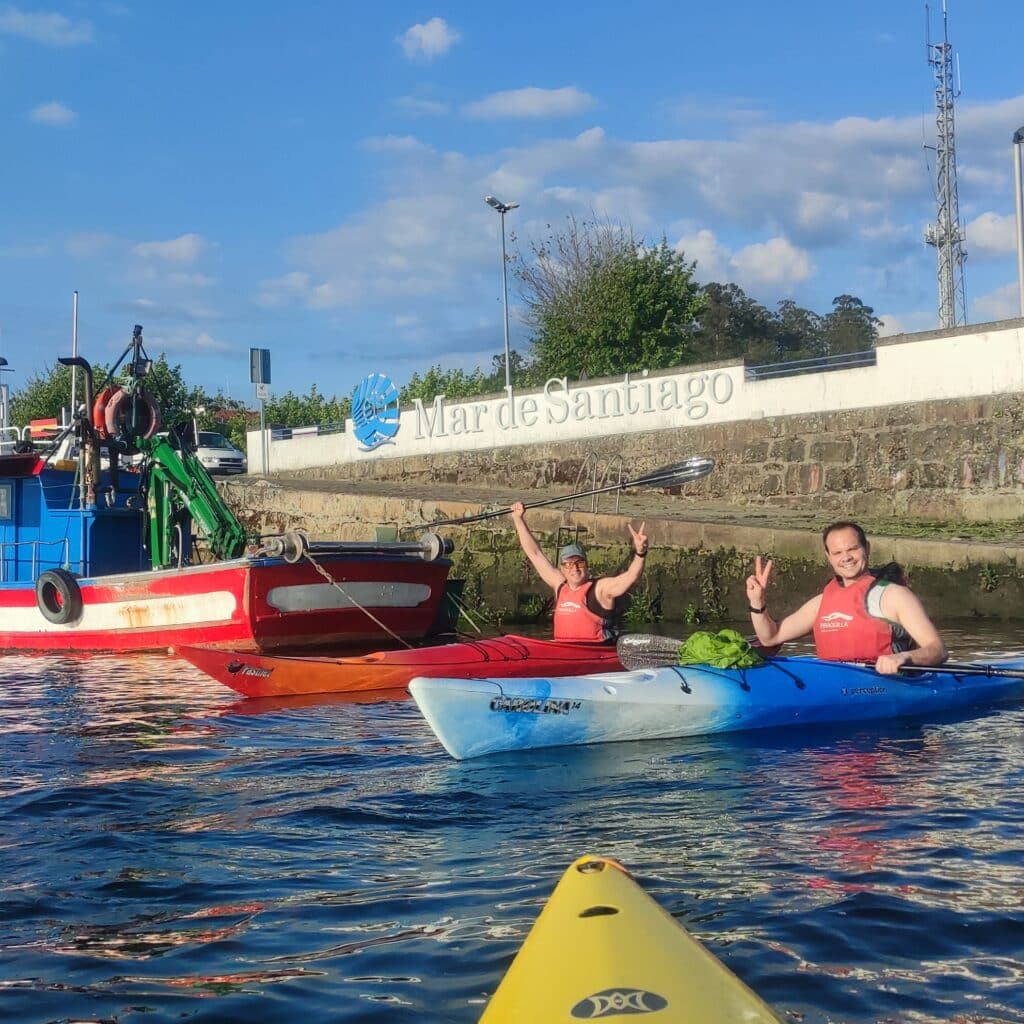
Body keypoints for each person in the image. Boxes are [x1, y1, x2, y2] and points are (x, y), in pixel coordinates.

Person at [746, 520, 947, 675]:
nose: (846, 557)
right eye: (838, 552)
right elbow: (770, 637)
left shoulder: (894, 596)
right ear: (829, 557)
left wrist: (903, 657)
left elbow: (937, 650)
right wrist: (757, 602)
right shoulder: (821, 602)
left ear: (866, 548)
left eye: (852, 549)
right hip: (835, 685)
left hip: (889, 685)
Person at [509, 502, 648, 643]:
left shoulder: (600, 589)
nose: (574, 569)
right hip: (562, 652)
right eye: (569, 564)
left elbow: (631, 577)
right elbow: (534, 553)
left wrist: (640, 553)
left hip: (595, 653)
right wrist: (518, 518)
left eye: (579, 563)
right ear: (562, 568)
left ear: (586, 565)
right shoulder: (560, 585)